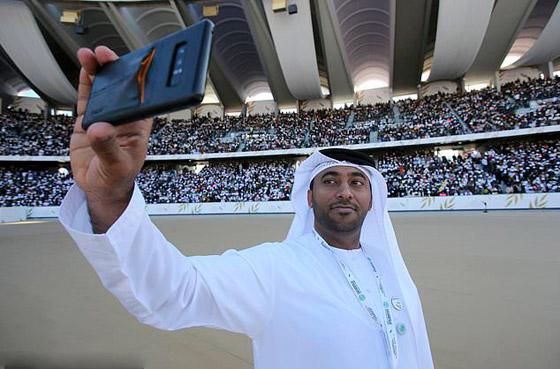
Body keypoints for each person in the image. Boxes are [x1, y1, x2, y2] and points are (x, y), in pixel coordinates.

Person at [59, 46, 434, 369]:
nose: (345, 192)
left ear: (373, 198)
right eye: (330, 180)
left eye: (357, 182)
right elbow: (176, 292)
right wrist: (111, 194)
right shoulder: (276, 268)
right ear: (308, 196)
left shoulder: (392, 271)